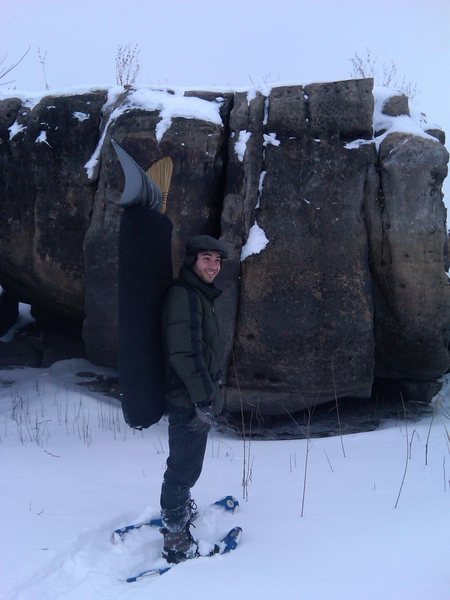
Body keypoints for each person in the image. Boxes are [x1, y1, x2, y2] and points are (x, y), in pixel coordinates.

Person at [159, 234, 229, 563]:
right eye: (206, 259)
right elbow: (184, 352)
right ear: (192, 261)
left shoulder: (199, 294)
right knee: (181, 468)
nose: (213, 266)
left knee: (190, 465)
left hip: (197, 394)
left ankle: (180, 511)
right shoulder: (184, 295)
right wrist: (202, 400)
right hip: (187, 397)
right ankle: (175, 538)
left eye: (217, 260)